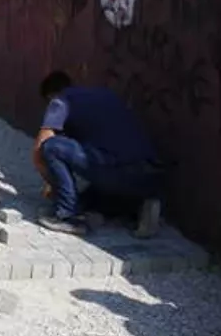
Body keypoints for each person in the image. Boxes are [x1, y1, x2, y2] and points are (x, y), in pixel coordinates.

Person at [33, 70, 164, 237]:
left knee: (51, 147)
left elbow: (39, 149)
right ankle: (139, 207)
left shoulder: (61, 100)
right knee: (88, 198)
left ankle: (66, 215)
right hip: (149, 175)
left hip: (117, 170)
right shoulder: (105, 95)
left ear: (51, 95)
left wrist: (54, 184)